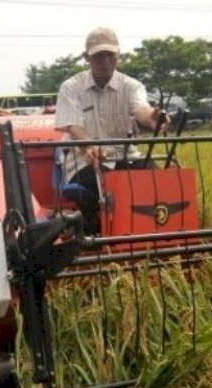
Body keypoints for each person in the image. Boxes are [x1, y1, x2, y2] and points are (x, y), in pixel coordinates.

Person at [54, 27, 165, 234]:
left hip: (126, 156)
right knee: (110, 187)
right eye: (99, 56)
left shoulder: (131, 86)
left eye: (110, 55)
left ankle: (153, 236)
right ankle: (103, 237)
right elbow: (74, 125)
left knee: (157, 180)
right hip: (84, 160)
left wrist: (151, 117)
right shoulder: (71, 87)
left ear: (118, 55)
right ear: (87, 57)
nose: (105, 61)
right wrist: (90, 146)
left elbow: (140, 108)